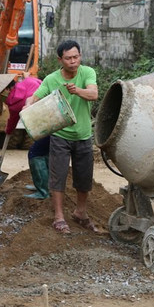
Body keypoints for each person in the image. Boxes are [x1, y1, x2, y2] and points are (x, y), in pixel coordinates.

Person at [25, 40, 105, 235]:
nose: (73, 62)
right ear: (60, 59)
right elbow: (36, 96)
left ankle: (80, 212)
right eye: (68, 58)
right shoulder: (52, 79)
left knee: (84, 178)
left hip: (84, 136)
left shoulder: (87, 73)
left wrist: (77, 91)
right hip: (60, 135)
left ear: (80, 57)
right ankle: (59, 217)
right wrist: (28, 105)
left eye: (76, 57)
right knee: (57, 177)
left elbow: (94, 94)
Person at [0, 72, 49, 199]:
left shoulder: (15, 102)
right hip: (50, 120)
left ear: (6, 89)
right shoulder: (27, 82)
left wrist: (8, 130)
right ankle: (42, 185)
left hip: (46, 123)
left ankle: (43, 191)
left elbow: (13, 118)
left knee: (35, 154)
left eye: (0, 93)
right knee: (45, 154)